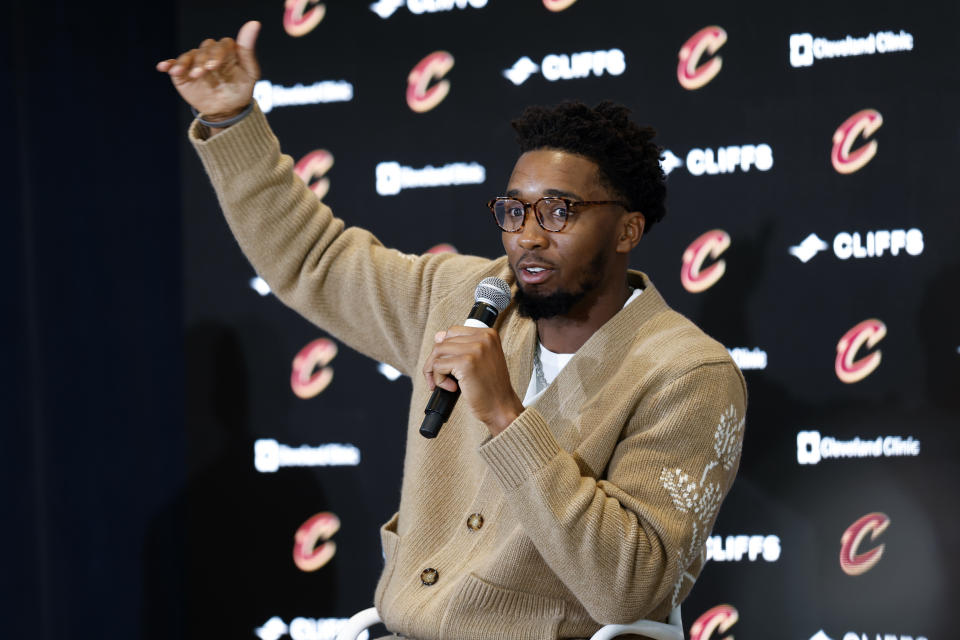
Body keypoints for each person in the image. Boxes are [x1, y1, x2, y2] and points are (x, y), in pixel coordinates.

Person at [159, 21, 747, 639]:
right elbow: (316, 261)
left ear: (628, 230)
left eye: (559, 211)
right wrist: (233, 123)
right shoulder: (464, 294)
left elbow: (628, 589)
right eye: (515, 210)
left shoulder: (685, 374)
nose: (529, 235)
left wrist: (506, 417)